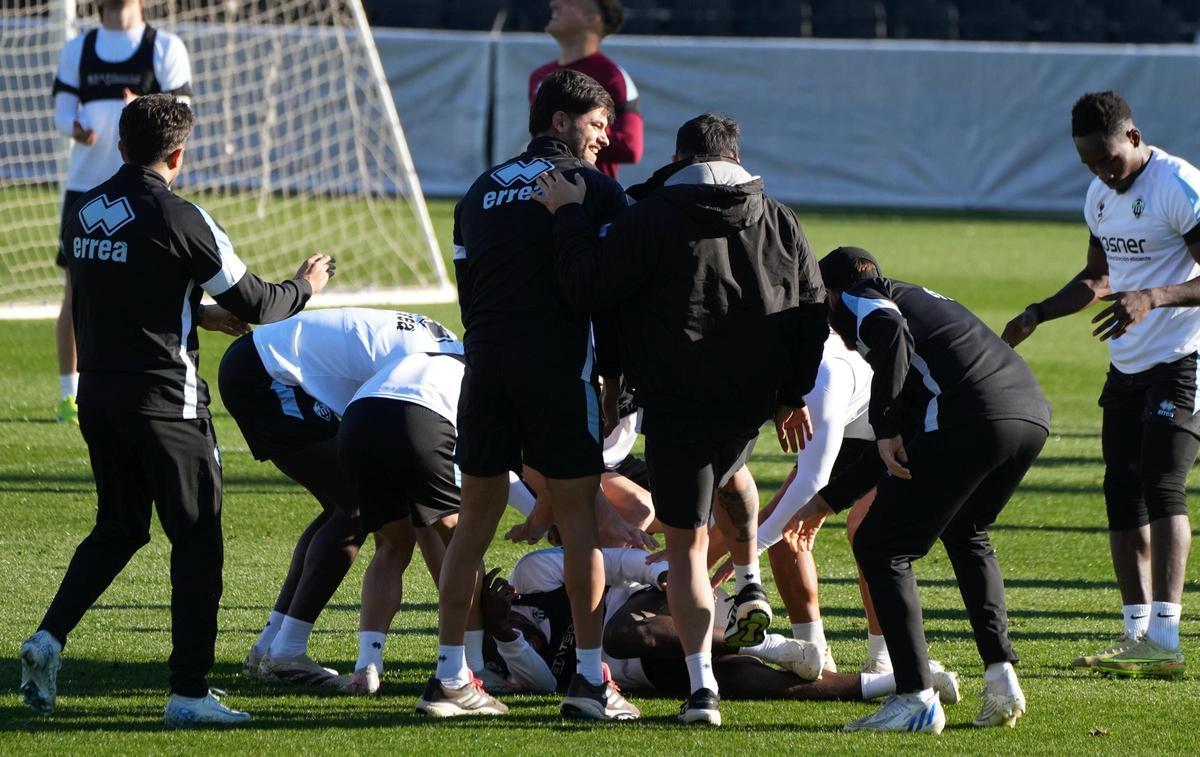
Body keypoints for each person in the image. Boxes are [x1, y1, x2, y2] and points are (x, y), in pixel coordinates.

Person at [17, 94, 333, 726]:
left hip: (99, 398)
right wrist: (307, 284)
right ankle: (189, 693)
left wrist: (199, 316)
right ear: (179, 155)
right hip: (166, 403)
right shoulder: (181, 217)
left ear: (120, 144)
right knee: (196, 539)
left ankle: (47, 639)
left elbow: (122, 293)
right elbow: (262, 303)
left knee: (120, 527)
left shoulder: (85, 212)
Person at [535, 112, 829, 725]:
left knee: (687, 551)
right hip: (748, 407)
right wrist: (790, 395)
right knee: (731, 481)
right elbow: (811, 312)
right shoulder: (779, 216)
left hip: (675, 405)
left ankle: (702, 692)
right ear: (736, 157)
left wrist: (566, 216)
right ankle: (748, 582)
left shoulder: (652, 216)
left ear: (679, 157)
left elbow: (592, 289)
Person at [420, 69, 636, 721]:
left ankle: (450, 677)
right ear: (561, 122)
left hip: (483, 364)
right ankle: (591, 684)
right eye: (598, 125)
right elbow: (613, 287)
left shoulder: (478, 191)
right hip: (557, 367)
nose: (606, 138)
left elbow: (467, 291)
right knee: (579, 527)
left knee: (472, 528)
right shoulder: (593, 190)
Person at [787, 247, 1051, 734]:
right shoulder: (916, 321)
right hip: (1029, 412)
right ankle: (1002, 675)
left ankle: (914, 696)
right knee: (967, 531)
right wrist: (827, 500)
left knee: (879, 544)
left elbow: (888, 332)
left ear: (831, 293)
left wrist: (883, 422)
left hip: (974, 413)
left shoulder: (865, 299)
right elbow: (904, 435)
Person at [1002, 90, 1196, 679]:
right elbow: (1097, 278)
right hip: (1127, 364)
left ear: (1133, 139)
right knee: (1120, 489)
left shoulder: (1179, 185)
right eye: (1090, 165)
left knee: (1164, 484)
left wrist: (1153, 297)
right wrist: (1039, 311)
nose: (1102, 174)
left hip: (1183, 356)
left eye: (1109, 161)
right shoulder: (1099, 195)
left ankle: (1167, 636)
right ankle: (1135, 632)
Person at [217, 308, 465, 686]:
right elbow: (436, 514)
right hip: (267, 372)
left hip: (262, 363)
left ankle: (272, 647)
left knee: (347, 505)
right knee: (355, 508)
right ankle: (284, 653)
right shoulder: (446, 376)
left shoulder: (444, 355)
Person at [477, 548, 961, 710]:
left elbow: (608, 562)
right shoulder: (502, 652)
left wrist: (661, 575)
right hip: (643, 669)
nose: (525, 635)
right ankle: (909, 681)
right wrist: (506, 635)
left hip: (651, 607)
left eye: (511, 616)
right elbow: (544, 682)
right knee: (743, 682)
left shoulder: (533, 574)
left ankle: (765, 641)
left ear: (510, 596)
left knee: (618, 633)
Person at [51, 0, 192, 425]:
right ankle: (67, 396)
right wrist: (73, 127)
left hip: (147, 192)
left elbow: (181, 115)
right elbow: (62, 112)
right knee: (77, 292)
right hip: (86, 190)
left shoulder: (165, 47)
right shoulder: (79, 48)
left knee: (154, 291)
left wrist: (143, 105)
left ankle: (148, 385)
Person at [530, 0, 642, 180]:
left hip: (592, 196)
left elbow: (630, 147)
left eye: (568, 1)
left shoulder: (613, 77)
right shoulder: (540, 76)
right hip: (543, 187)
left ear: (592, 19)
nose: (554, 4)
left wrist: (579, 131)